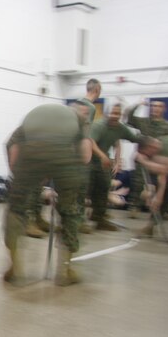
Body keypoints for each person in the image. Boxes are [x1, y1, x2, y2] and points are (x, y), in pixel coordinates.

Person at [4, 103, 92, 286]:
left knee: (15, 209)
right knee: (71, 212)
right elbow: (85, 155)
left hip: (31, 153)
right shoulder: (79, 121)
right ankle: (65, 271)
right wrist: (68, 176)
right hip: (64, 156)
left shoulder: (33, 120)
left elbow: (12, 147)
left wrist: (22, 176)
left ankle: (14, 266)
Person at [88, 103, 140, 231]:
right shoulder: (99, 125)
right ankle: (79, 222)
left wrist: (147, 143)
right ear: (106, 114)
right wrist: (103, 156)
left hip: (102, 163)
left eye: (117, 113)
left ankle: (99, 218)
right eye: (112, 113)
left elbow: (133, 138)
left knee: (104, 188)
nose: (114, 116)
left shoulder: (120, 128)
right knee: (85, 190)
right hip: (88, 161)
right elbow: (91, 142)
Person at [123, 98, 168, 218]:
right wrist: (138, 104)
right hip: (143, 157)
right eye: (153, 106)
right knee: (138, 183)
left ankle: (160, 211)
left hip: (160, 160)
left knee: (162, 185)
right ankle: (134, 206)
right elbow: (129, 117)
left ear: (164, 109)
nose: (155, 108)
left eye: (159, 106)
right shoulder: (144, 122)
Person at [135, 135, 168, 246]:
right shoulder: (159, 145)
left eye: (147, 154)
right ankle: (151, 225)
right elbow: (162, 176)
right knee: (167, 192)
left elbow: (166, 170)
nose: (149, 156)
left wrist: (145, 162)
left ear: (151, 147)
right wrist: (157, 196)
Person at [69, 78, 103, 235]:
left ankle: (69, 219)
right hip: (79, 153)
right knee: (81, 188)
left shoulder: (75, 104)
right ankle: (79, 221)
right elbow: (86, 134)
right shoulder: (89, 107)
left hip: (68, 151)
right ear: (97, 89)